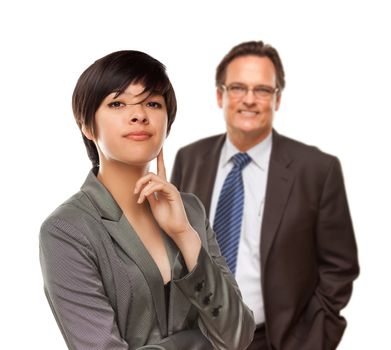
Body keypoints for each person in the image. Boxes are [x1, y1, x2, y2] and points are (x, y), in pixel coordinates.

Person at [39, 50, 255, 350]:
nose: (139, 114)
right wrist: (196, 343)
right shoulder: (67, 230)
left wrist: (184, 234)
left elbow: (238, 336)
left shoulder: (189, 210)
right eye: (117, 103)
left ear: (167, 122)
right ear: (87, 126)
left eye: (152, 103)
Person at [171, 41, 359, 350]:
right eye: (237, 88)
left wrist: (310, 342)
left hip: (272, 340)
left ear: (277, 99)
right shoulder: (190, 159)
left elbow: (339, 268)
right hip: (195, 337)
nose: (249, 100)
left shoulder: (317, 170)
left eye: (262, 90)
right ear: (220, 95)